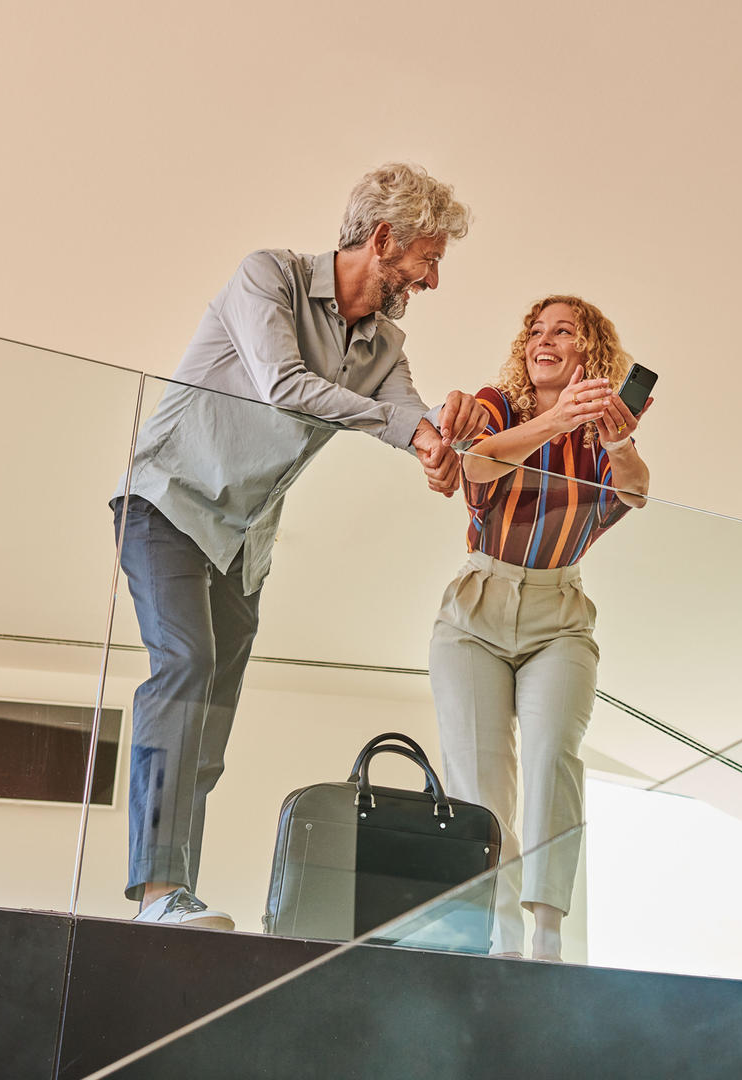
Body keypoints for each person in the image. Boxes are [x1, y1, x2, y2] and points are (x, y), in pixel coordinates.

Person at [111, 164, 487, 930]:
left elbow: (408, 412)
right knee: (183, 668)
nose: (434, 278)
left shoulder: (384, 343)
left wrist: (443, 438)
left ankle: (175, 895)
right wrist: (410, 431)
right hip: (167, 506)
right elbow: (282, 383)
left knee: (210, 722)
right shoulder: (268, 278)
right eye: (428, 257)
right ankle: (154, 895)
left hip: (243, 544)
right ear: (383, 239)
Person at [429, 295, 652, 960]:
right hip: (476, 611)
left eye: (563, 331)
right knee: (480, 781)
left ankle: (549, 933)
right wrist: (555, 419)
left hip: (560, 614)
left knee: (554, 756)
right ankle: (500, 937)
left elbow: (635, 490)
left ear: (591, 351)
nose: (543, 341)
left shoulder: (603, 428)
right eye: (535, 331)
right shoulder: (501, 405)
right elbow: (477, 465)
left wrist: (615, 436)